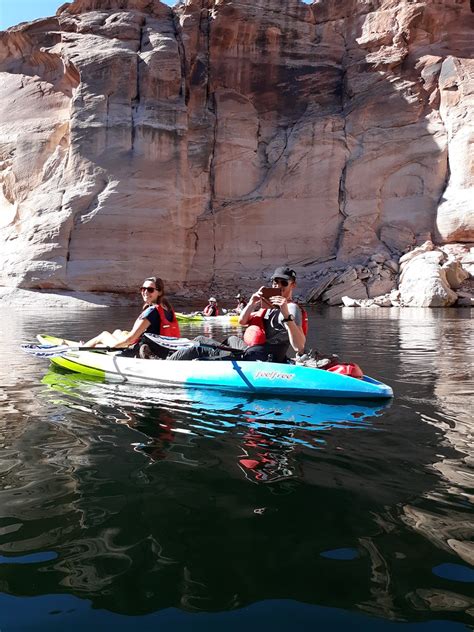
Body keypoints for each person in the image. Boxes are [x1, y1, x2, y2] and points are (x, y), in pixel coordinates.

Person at [165, 266, 306, 363]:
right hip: (253, 352)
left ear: (293, 285)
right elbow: (242, 321)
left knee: (197, 349)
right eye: (275, 282)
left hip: (262, 359)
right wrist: (251, 303)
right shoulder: (268, 306)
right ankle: (169, 357)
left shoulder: (291, 308)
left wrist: (287, 315)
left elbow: (299, 347)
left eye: (284, 283)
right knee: (201, 338)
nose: (278, 286)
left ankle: (164, 364)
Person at [83, 276, 180, 354]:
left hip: (139, 349)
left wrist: (112, 347)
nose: (145, 292)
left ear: (159, 292)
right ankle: (90, 345)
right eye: (143, 289)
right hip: (160, 349)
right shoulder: (168, 309)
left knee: (103, 335)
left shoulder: (152, 311)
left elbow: (130, 340)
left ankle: (81, 350)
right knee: (117, 332)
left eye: (150, 289)